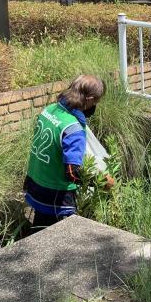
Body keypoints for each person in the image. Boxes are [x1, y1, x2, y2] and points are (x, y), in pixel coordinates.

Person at [24, 74, 114, 231]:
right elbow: (72, 173)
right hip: (54, 194)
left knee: (39, 229)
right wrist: (101, 181)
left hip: (35, 182)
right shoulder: (73, 129)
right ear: (90, 99)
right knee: (56, 237)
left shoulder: (50, 110)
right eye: (96, 102)